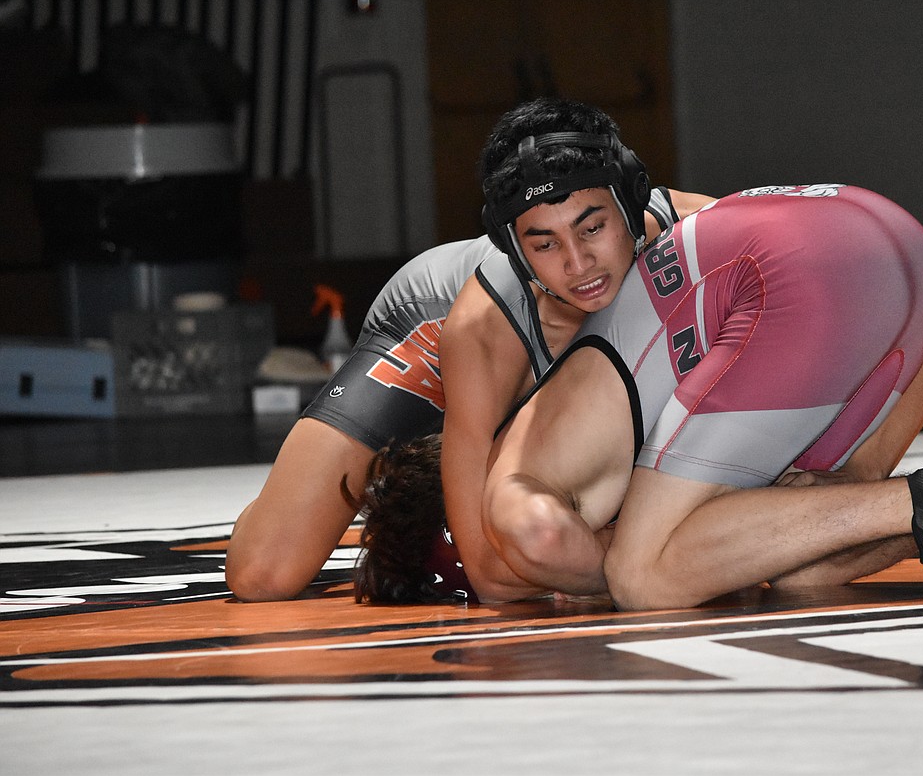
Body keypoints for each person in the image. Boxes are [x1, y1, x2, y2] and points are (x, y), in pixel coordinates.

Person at [352, 185, 923, 611]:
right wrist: (852, 482)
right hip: (878, 285)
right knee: (804, 565)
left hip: (815, 309)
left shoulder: (581, 428)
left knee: (649, 574)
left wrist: (860, 482)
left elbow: (532, 557)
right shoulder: (614, 337)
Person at [226, 98, 714, 601]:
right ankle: (302, 491)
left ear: (632, 200)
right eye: (544, 244)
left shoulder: (709, 235)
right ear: (514, 247)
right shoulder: (479, 326)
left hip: (540, 365)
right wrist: (639, 567)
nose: (579, 263)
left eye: (592, 227)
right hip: (430, 326)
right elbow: (489, 574)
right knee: (265, 572)